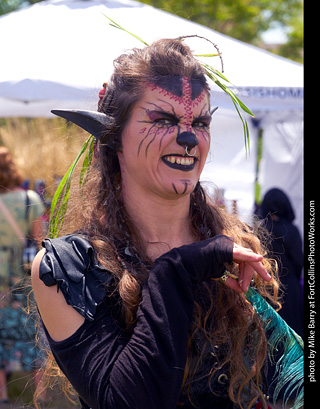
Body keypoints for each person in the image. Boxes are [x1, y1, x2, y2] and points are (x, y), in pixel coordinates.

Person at [31, 38, 284, 409]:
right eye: (163, 120)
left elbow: (284, 381)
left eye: (200, 122)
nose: (188, 139)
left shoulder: (237, 249)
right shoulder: (70, 271)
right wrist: (178, 271)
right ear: (114, 136)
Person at [0, 146, 45, 403]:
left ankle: (3, 393)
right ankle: (41, 391)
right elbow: (38, 240)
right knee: (32, 327)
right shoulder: (30, 199)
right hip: (25, 273)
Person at [257, 188, 304, 337]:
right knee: (293, 336)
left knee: (269, 337)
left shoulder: (260, 229)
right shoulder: (292, 230)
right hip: (290, 289)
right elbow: (299, 261)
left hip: (266, 288)